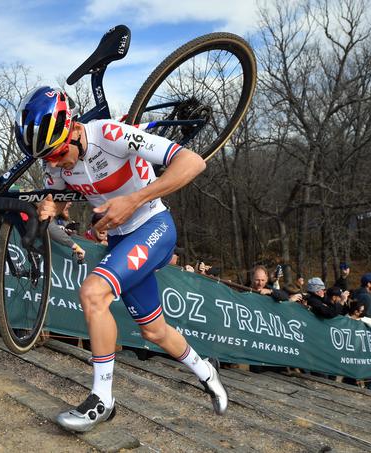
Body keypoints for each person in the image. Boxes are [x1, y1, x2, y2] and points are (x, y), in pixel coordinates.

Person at [30, 87, 226, 432]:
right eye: (48, 158)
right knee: (153, 331)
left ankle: (102, 399)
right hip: (121, 241)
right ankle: (207, 370)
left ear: (74, 129)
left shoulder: (110, 134)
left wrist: (135, 199)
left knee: (93, 293)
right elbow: (59, 201)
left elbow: (193, 162)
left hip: (153, 226)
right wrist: (50, 208)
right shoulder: (56, 162)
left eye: (59, 154)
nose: (56, 164)